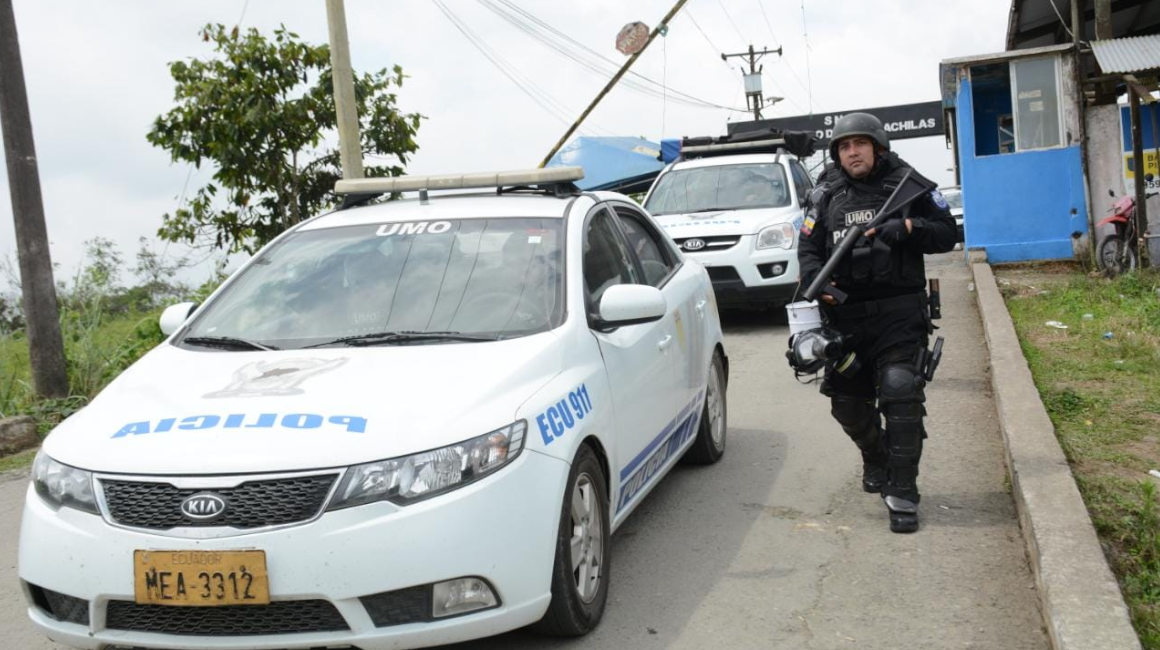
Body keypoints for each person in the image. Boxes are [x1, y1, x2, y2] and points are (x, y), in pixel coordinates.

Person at [797, 112, 957, 533]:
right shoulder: (825, 193)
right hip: (845, 319)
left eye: (860, 144)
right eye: (845, 147)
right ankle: (875, 455)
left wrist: (906, 226)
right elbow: (808, 247)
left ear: (878, 147)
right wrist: (818, 280)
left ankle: (902, 492)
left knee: (901, 391)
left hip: (899, 315)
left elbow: (946, 232)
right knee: (847, 405)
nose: (853, 152)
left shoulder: (906, 183)